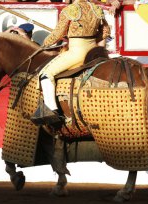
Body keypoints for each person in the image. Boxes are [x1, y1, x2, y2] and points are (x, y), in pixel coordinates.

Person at [31, 0, 111, 128]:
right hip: (93, 51)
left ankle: (52, 110)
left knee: (45, 74)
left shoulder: (70, 10)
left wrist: (44, 44)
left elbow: (57, 34)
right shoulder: (96, 9)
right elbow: (106, 30)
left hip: (76, 53)